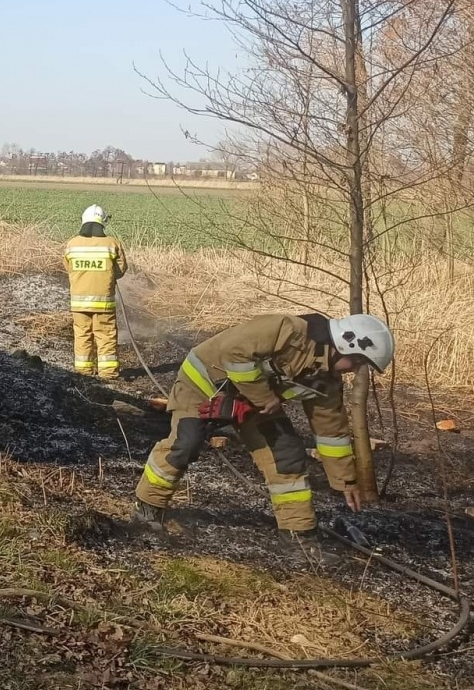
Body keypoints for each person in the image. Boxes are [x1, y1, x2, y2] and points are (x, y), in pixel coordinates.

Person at [131, 311, 394, 559]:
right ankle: (147, 508)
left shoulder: (326, 381)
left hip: (255, 402)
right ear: (346, 344)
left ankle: (298, 539)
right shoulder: (286, 330)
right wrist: (264, 397)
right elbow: (234, 355)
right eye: (358, 361)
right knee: (184, 445)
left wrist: (346, 481)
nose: (355, 370)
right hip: (203, 386)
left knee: (287, 456)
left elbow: (331, 433)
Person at [63, 204, 127, 380]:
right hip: (104, 303)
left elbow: (68, 267)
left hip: (79, 304)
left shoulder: (72, 244)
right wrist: (107, 275)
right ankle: (108, 374)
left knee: (82, 335)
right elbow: (121, 269)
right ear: (103, 223)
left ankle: (84, 372)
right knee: (106, 336)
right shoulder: (111, 244)